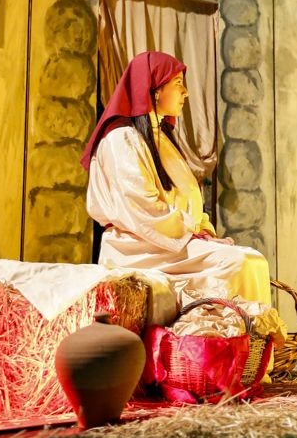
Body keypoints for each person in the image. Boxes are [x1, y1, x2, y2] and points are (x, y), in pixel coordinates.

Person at [81, 50, 271, 307]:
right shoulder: (122, 139)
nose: (186, 93)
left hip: (169, 243)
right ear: (155, 90)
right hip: (138, 248)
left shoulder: (162, 138)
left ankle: (252, 341)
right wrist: (191, 232)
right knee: (241, 263)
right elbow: (140, 205)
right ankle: (237, 338)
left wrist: (203, 230)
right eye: (178, 84)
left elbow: (189, 199)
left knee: (251, 261)